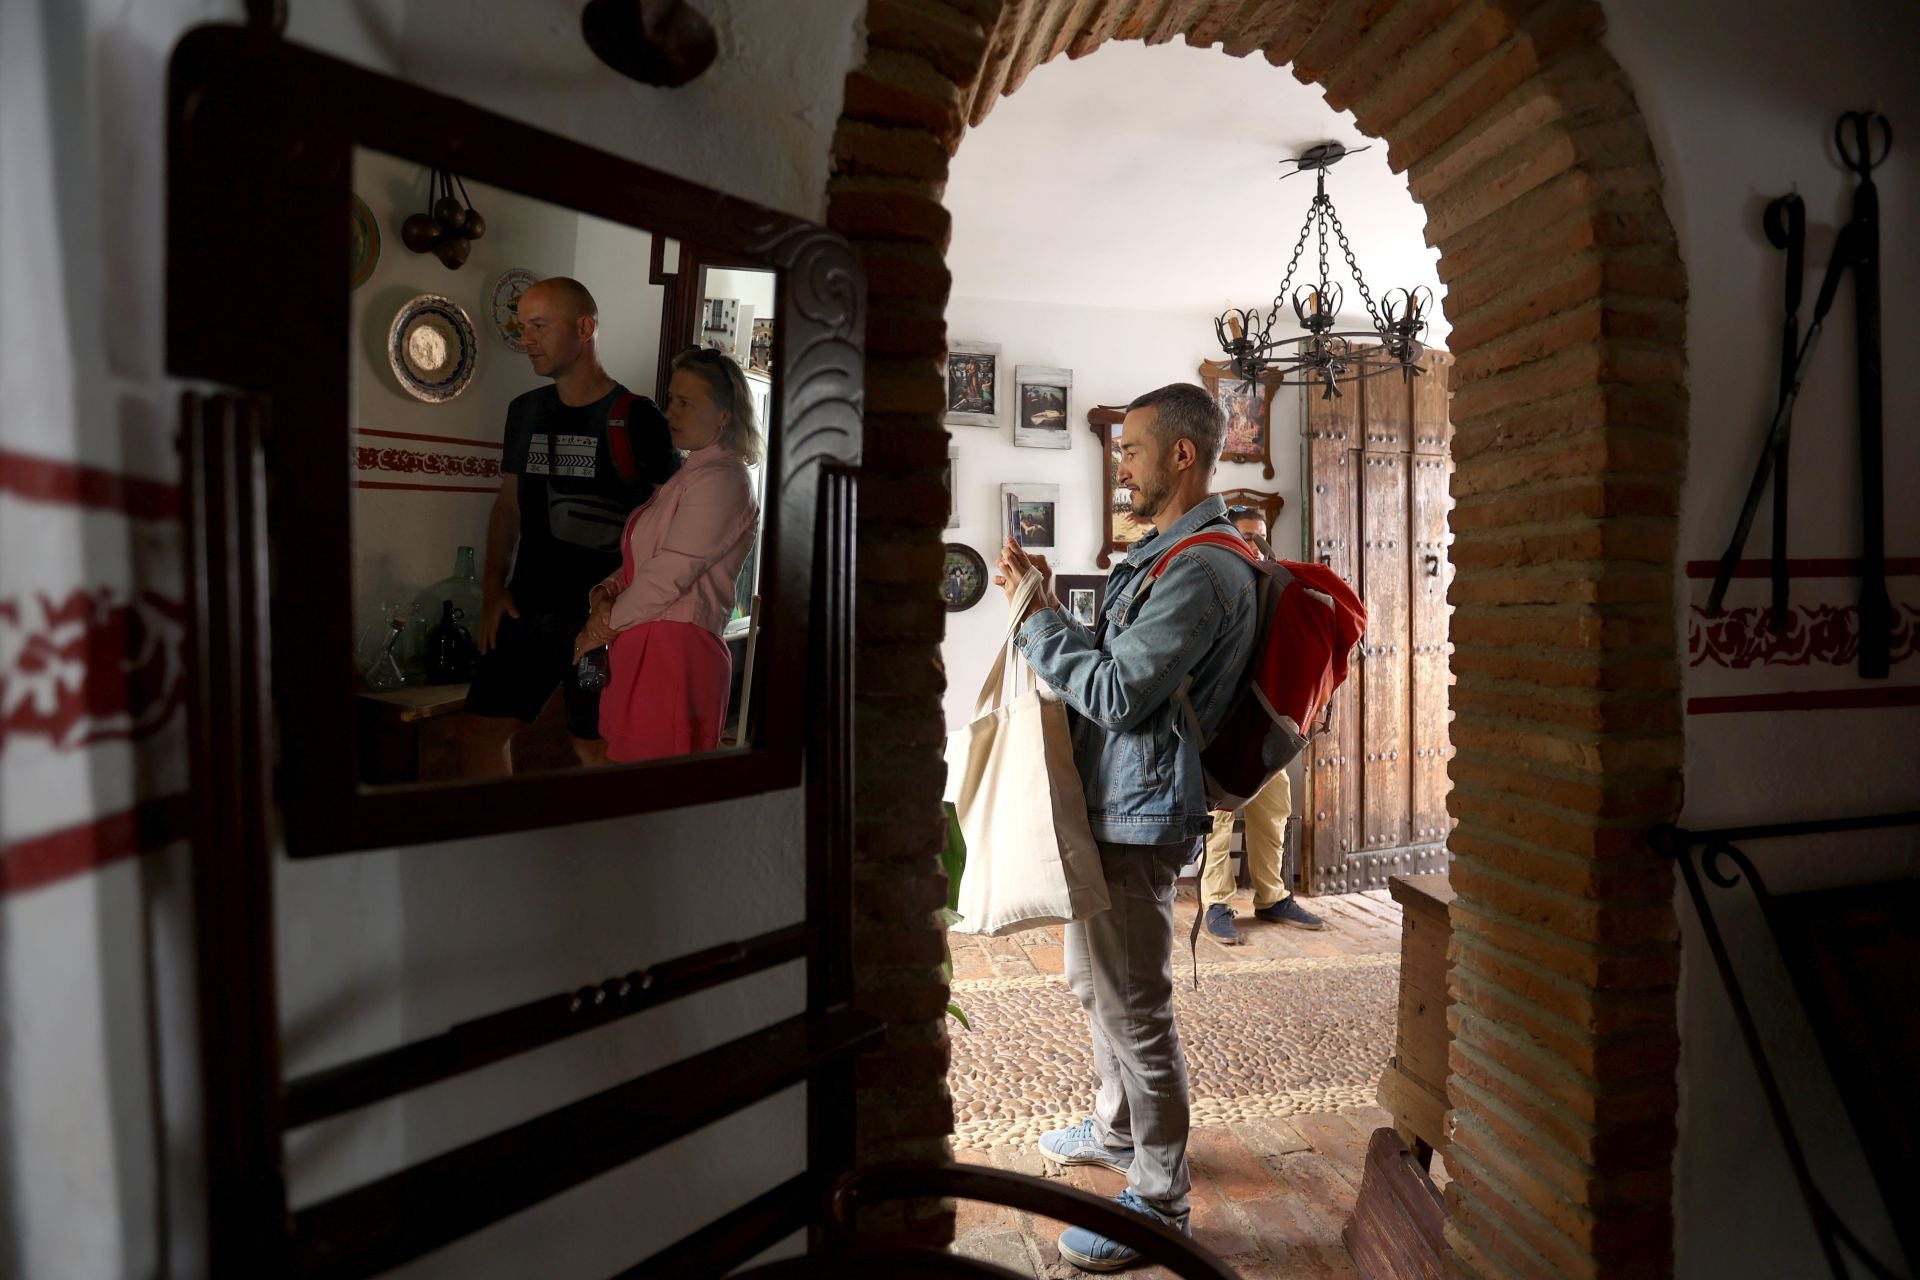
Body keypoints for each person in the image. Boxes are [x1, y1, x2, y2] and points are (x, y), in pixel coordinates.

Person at [993, 382, 1258, 1272]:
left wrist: (1035, 623)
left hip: (1138, 819)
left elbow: (1110, 691)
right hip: (1115, 801)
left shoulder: (1202, 569)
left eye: (1133, 449)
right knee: (1090, 980)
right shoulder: (1172, 554)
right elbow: (1116, 667)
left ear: (1183, 455)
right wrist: (1046, 606)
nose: (1123, 466)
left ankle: (1159, 1201)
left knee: (1136, 1008)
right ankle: (1116, 1131)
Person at [457, 277, 679, 776]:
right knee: (479, 730)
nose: (525, 338)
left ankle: (605, 850)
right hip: (528, 604)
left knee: (594, 747)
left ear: (585, 328)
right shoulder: (525, 411)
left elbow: (675, 520)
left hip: (603, 617)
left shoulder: (636, 418)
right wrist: (492, 587)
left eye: (538, 325)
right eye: (521, 327)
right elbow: (508, 506)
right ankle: (501, 849)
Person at [572, 347, 760, 762]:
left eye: (686, 403)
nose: (671, 411)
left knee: (654, 795)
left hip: (676, 652)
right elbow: (644, 562)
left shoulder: (724, 480)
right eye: (671, 399)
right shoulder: (692, 473)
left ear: (725, 414)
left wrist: (600, 628)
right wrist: (603, 593)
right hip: (646, 641)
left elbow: (671, 574)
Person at [1200, 506, 1326, 944]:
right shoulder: (1214, 587)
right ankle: (1215, 902)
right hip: (1223, 728)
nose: (1255, 544)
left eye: (1261, 536)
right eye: (1247, 535)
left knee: (1273, 814)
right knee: (1218, 819)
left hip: (1268, 726)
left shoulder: (1281, 589)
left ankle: (1272, 897)